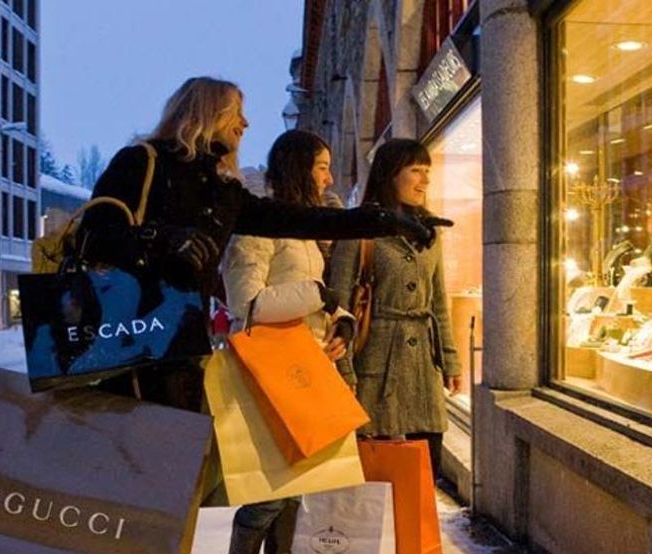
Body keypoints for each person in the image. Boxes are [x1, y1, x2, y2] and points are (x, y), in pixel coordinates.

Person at [75, 77, 449, 415]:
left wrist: (386, 220)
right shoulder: (143, 161)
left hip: (180, 348)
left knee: (168, 467)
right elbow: (92, 235)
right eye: (237, 111)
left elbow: (304, 220)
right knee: (120, 463)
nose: (246, 123)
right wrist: (162, 239)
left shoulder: (223, 191)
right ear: (208, 112)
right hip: (122, 338)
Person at [219, 129, 349, 554]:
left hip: (307, 366)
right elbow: (246, 303)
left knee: (297, 485)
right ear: (297, 168)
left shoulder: (302, 228)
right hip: (269, 372)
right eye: (321, 166)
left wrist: (341, 320)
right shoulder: (257, 225)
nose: (329, 177)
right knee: (269, 488)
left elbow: (311, 292)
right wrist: (321, 297)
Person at [328, 138, 461, 554]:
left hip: (421, 361)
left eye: (427, 171)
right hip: (375, 363)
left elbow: (438, 300)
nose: (425, 179)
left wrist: (450, 359)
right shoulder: (361, 229)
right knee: (379, 463)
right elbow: (340, 307)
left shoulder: (429, 230)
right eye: (415, 171)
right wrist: (345, 372)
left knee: (426, 461)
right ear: (390, 176)